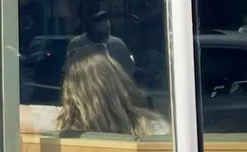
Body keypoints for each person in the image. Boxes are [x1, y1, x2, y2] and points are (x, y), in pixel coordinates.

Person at [23, 49, 170, 138]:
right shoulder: (153, 126)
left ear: (71, 92)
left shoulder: (60, 122)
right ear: (119, 82)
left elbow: (8, 119)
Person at [66, 10, 136, 76]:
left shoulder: (118, 44)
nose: (103, 24)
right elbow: (69, 72)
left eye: (105, 20)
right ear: (90, 25)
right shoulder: (77, 44)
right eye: (98, 20)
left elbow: (129, 71)